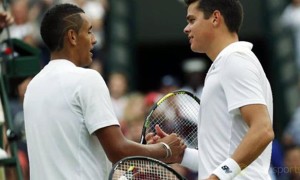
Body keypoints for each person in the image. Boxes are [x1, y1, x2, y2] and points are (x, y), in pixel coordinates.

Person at [23, 3, 186, 180]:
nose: (94, 40)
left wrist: (144, 151)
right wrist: (165, 149)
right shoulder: (87, 79)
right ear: (72, 36)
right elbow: (117, 150)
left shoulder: (33, 87)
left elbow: (76, 152)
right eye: (89, 31)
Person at [148, 0, 274, 179]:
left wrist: (217, 178)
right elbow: (218, 162)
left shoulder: (235, 60)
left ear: (215, 18)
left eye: (192, 20)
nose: (186, 28)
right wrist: (181, 155)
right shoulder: (225, 64)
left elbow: (263, 131)